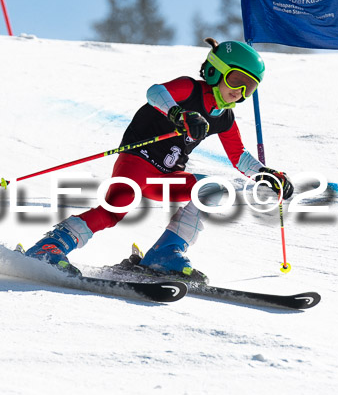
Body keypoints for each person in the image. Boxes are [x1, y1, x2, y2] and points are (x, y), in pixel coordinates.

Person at [23, 38, 293, 279]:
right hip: (138, 158)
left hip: (165, 176)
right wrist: (178, 114)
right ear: (215, 71)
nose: (240, 92)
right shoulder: (189, 89)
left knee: (211, 189)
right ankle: (51, 246)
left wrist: (264, 174)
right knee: (117, 206)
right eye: (236, 81)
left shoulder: (224, 117)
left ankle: (165, 255)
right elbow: (155, 92)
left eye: (249, 87)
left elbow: (239, 156)